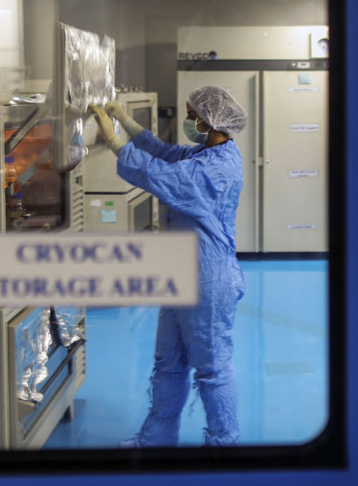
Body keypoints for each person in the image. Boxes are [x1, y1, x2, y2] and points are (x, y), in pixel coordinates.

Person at [89, 86, 248, 447]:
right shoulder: (203, 152)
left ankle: (225, 444)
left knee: (212, 367)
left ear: (211, 121)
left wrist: (114, 140)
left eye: (194, 116)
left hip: (209, 278)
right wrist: (126, 122)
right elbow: (163, 153)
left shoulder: (216, 168)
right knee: (169, 363)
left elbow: (160, 175)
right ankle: (157, 438)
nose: (190, 122)